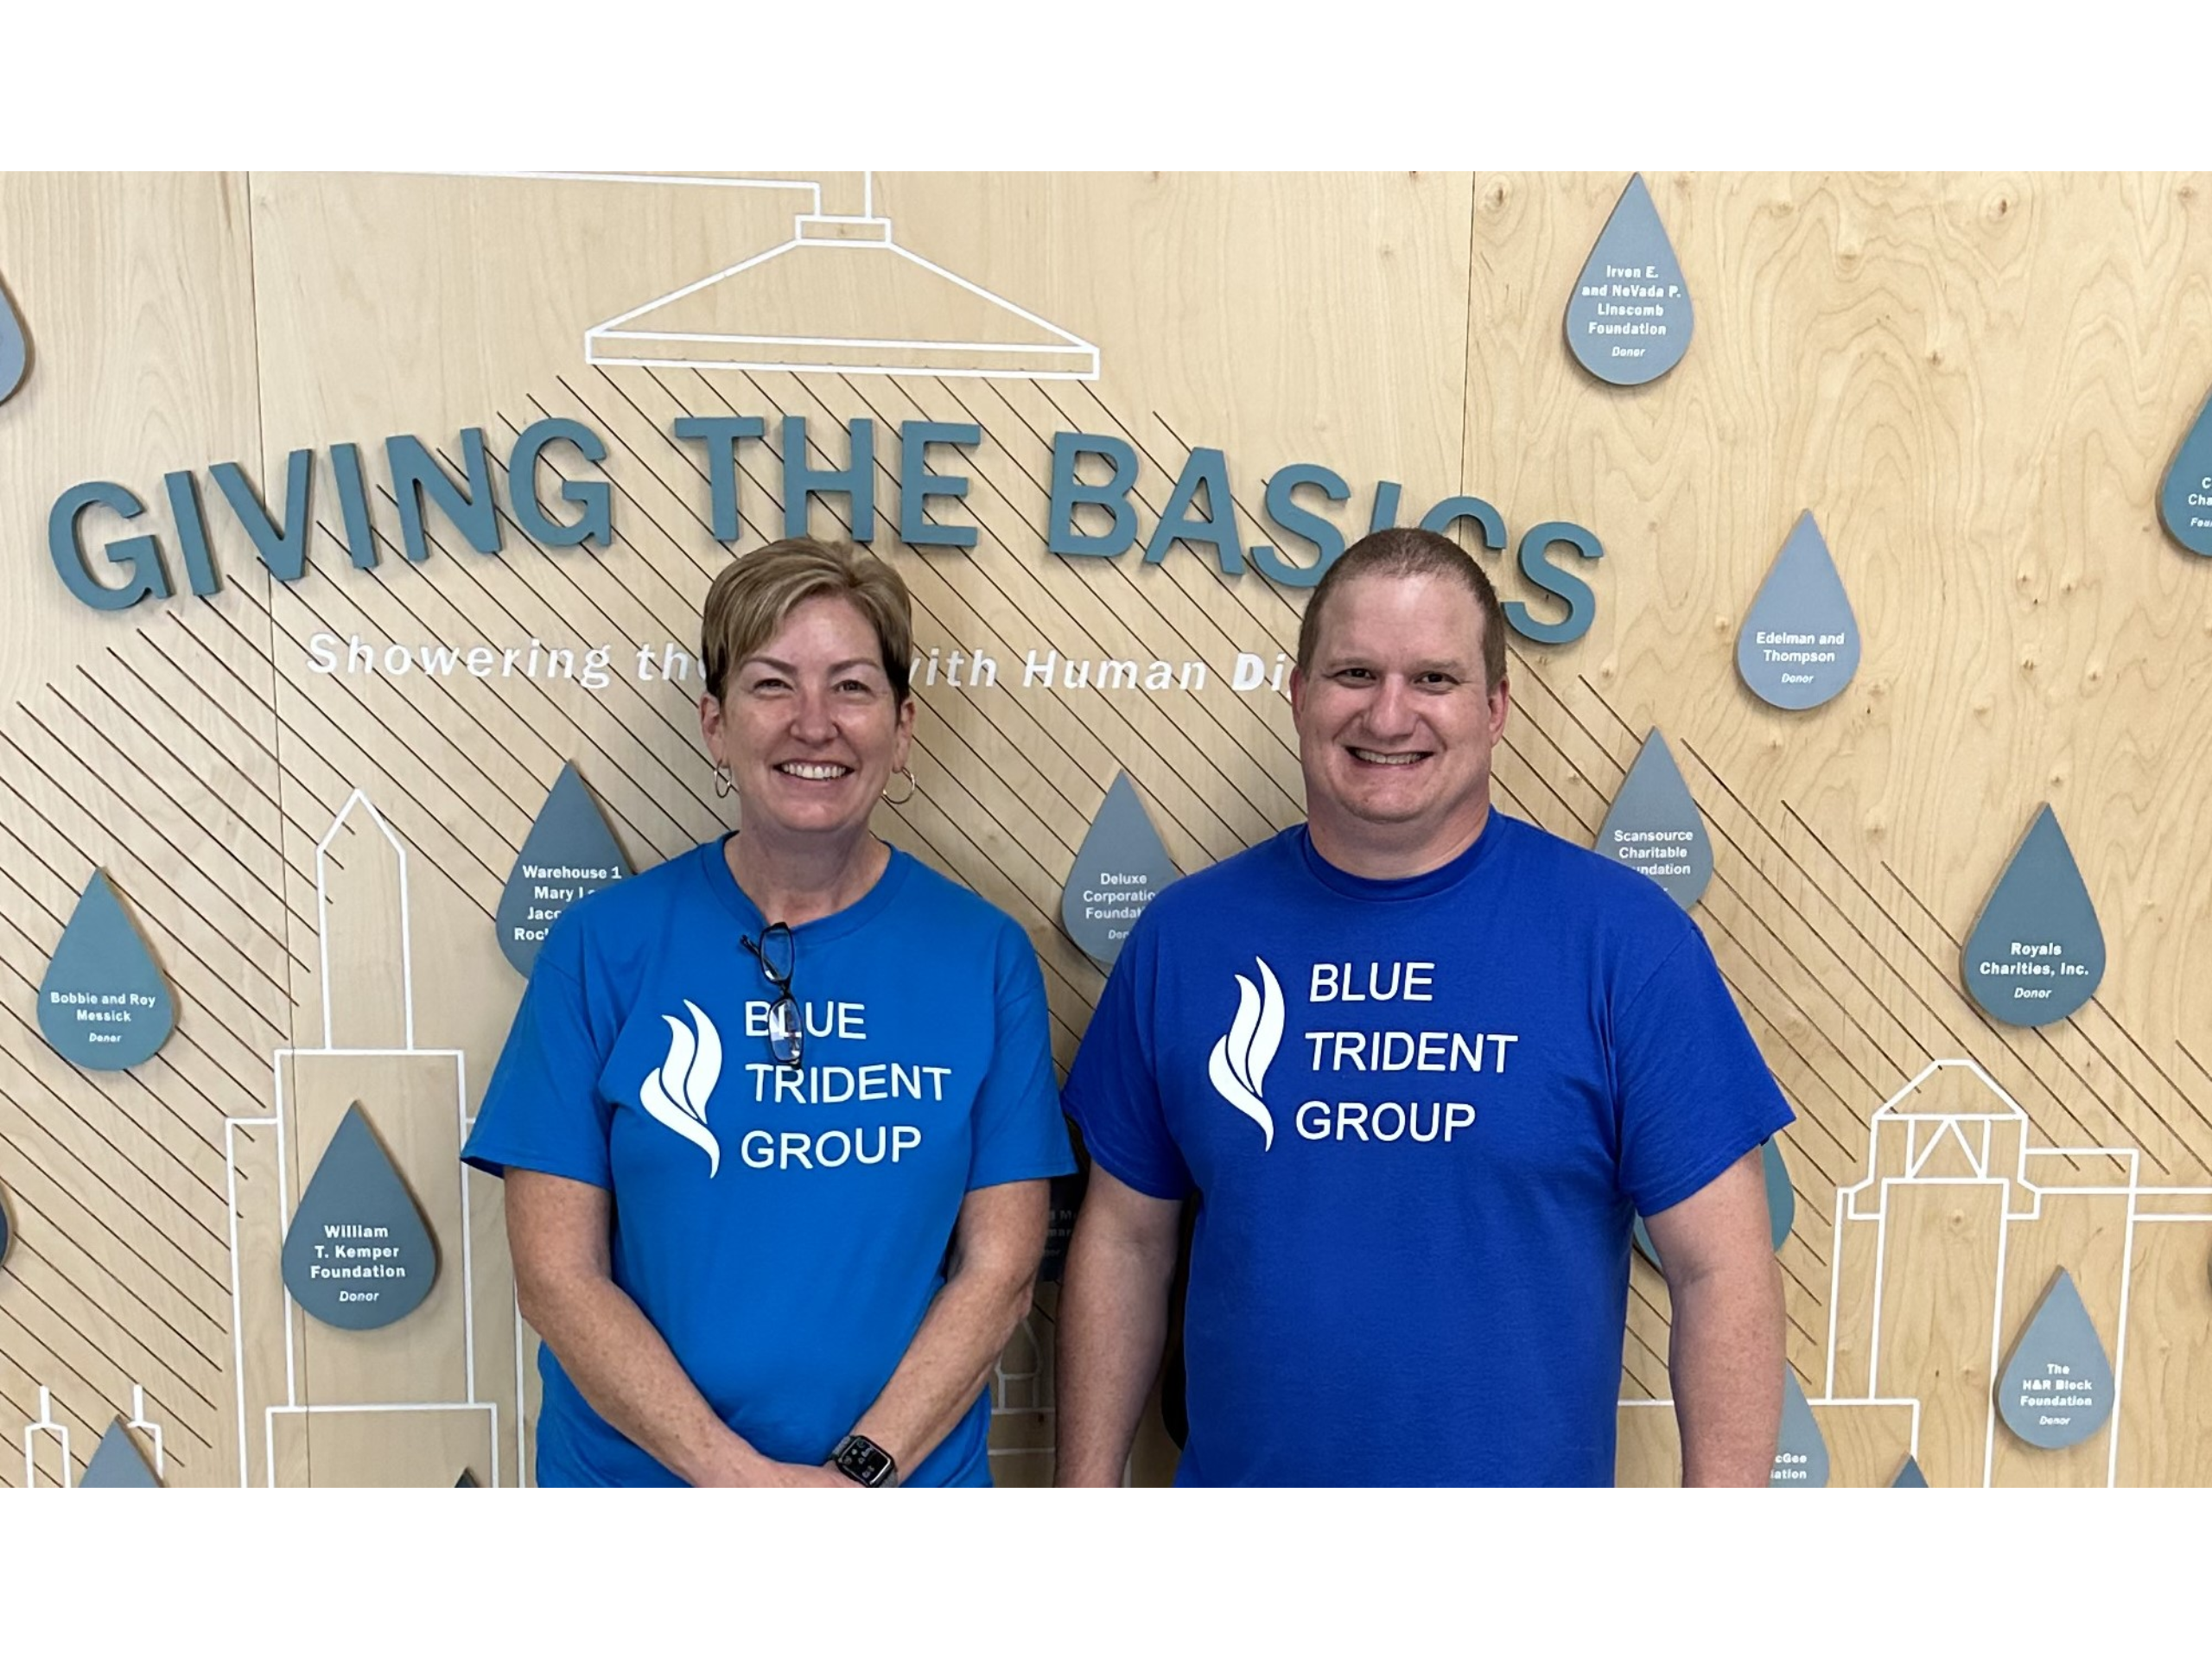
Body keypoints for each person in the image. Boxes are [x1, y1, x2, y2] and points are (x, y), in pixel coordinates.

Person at [1056, 527, 1792, 1488]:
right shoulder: (1185, 937)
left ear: (1494, 708)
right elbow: (1123, 1241)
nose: (1389, 714)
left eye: (1434, 680)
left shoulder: (1622, 942)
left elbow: (1721, 1272)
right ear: (1299, 694)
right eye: (1354, 671)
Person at [464, 537, 1074, 1488]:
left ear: (903, 727)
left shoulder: (982, 953)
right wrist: (730, 1473)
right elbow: (557, 1275)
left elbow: (999, 1272)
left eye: (852, 687)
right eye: (771, 684)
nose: (813, 723)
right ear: (714, 725)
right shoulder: (600, 948)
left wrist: (860, 1471)